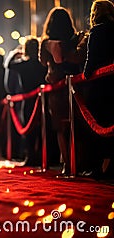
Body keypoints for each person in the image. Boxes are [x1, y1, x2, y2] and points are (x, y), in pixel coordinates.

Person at [40, 7, 87, 176]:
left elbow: (43, 62)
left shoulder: (46, 42)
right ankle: (78, 163)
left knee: (60, 128)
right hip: (76, 86)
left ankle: (67, 163)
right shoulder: (74, 39)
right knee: (77, 125)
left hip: (57, 88)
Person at [82, 0, 114, 179]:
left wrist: (86, 74)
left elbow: (90, 63)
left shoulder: (96, 31)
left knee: (99, 127)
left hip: (100, 87)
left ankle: (101, 167)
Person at [9, 37, 47, 166]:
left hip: (28, 99)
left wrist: (16, 53)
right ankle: (43, 156)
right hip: (42, 97)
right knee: (42, 129)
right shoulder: (42, 63)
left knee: (28, 129)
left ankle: (30, 156)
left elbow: (9, 65)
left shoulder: (23, 64)